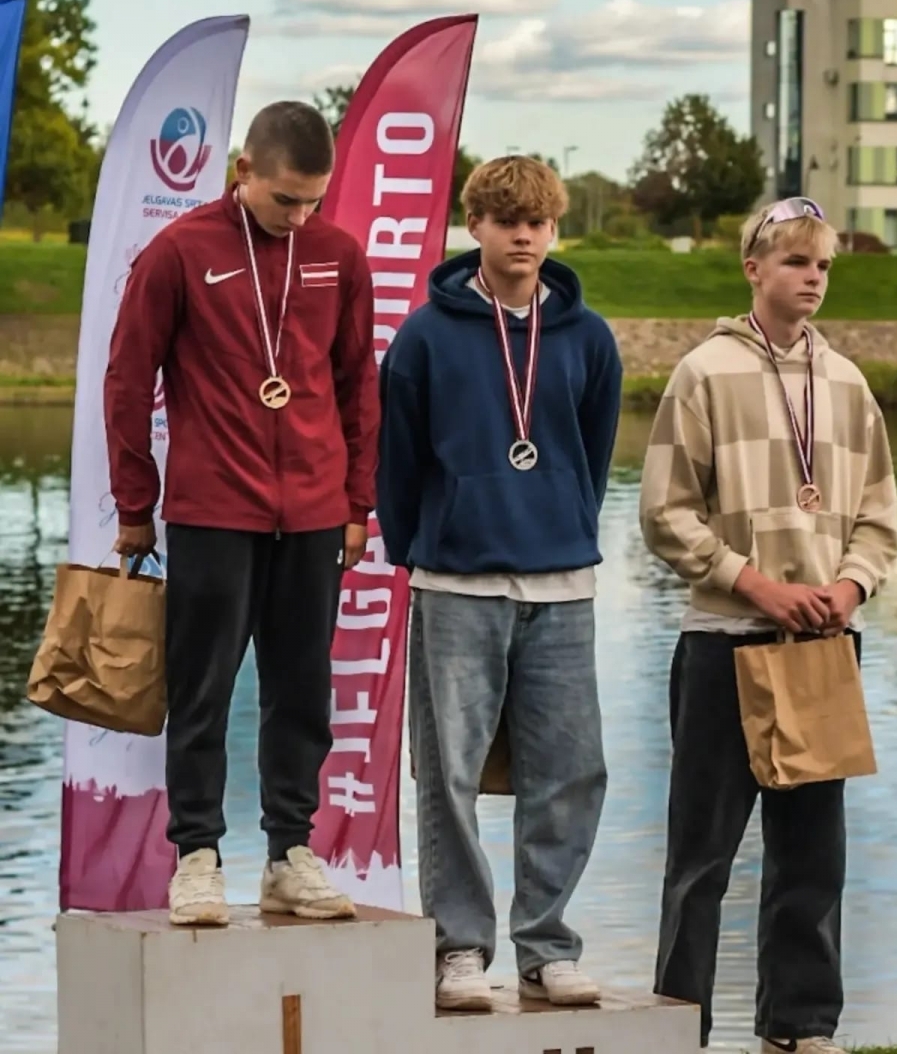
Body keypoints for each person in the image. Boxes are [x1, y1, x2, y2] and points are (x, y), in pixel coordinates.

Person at [103, 101, 380, 927]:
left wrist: (356, 502)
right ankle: (196, 856)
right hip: (212, 507)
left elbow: (359, 382)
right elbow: (127, 379)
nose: (300, 216)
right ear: (243, 173)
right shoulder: (181, 250)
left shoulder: (337, 255)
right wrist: (133, 505)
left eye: (313, 201)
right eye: (285, 199)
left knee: (302, 687)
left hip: (315, 509)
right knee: (203, 689)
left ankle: (290, 853)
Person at [638, 198, 897, 1052]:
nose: (812, 279)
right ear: (754, 270)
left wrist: (852, 588)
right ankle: (680, 1028)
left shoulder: (850, 384)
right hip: (725, 642)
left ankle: (798, 1029)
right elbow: (666, 515)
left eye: (822, 266)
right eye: (794, 263)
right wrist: (755, 585)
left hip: (823, 644)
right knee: (701, 860)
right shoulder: (704, 373)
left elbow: (879, 519)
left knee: (812, 858)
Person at [375, 156, 623, 1011]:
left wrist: (559, 522)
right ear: (473, 225)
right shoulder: (425, 337)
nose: (524, 235)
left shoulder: (587, 336)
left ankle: (547, 947)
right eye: (507, 219)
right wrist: (427, 547)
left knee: (569, 771)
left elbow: (592, 456)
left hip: (561, 584)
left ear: (555, 231)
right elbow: (397, 463)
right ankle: (460, 950)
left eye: (539, 222)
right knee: (447, 775)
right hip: (456, 584)